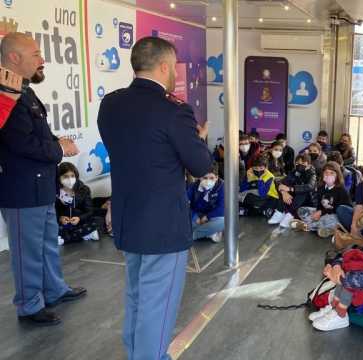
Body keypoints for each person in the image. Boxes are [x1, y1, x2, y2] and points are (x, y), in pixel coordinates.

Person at [97, 36, 212, 359]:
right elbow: (201, 164)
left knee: (136, 297)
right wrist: (198, 140)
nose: (175, 73)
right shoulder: (174, 112)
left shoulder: (111, 104)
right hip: (163, 225)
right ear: (163, 66)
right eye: (173, 66)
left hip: (127, 218)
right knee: (157, 305)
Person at [0, 32, 85, 326]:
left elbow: (38, 135)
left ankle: (54, 289)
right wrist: (58, 148)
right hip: (21, 189)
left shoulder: (25, 92)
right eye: (36, 54)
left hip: (40, 185)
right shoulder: (5, 96)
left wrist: (56, 142)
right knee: (27, 253)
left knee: (48, 243)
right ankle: (29, 305)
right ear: (14, 58)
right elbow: (20, 144)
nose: (42, 60)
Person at [293, 161, 350, 238]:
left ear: (337, 175)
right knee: (302, 210)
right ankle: (322, 228)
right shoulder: (321, 187)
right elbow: (319, 205)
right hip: (323, 213)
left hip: (335, 215)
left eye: (332, 173)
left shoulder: (342, 190)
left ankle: (307, 225)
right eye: (326, 173)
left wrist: (321, 213)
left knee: (330, 219)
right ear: (323, 174)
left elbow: (339, 209)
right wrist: (317, 212)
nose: (328, 175)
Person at [55, 162, 99, 245]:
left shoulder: (84, 190)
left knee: (94, 223)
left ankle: (65, 239)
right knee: (54, 228)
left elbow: (89, 211)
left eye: (72, 176)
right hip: (64, 224)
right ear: (59, 178)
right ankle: (83, 235)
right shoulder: (56, 193)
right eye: (65, 176)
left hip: (81, 222)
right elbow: (53, 212)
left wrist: (79, 218)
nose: (70, 179)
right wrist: (60, 218)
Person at [268, 154, 317, 228]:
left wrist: (291, 189)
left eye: (303, 163)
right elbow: (281, 182)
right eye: (297, 163)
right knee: (282, 187)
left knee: (302, 191)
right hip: (294, 200)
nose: (300, 165)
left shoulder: (312, 174)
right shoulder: (295, 172)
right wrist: (284, 192)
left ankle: (290, 215)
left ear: (309, 164)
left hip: (307, 202)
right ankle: (280, 212)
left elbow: (309, 186)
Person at [186, 163, 224, 243]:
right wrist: (194, 216)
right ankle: (210, 233)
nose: (208, 181)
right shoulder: (193, 187)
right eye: (205, 178)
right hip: (196, 217)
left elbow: (222, 208)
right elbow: (184, 204)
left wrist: (207, 217)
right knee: (182, 217)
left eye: (211, 178)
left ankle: (193, 236)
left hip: (212, 216)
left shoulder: (222, 187)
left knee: (223, 221)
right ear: (200, 178)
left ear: (216, 178)